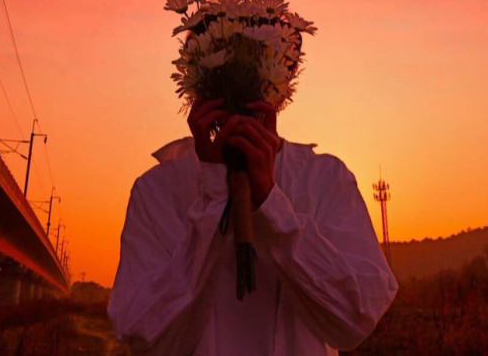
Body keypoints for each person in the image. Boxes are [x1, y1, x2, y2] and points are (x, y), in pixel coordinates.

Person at [108, 97, 398, 355]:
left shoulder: (324, 178)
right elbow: (143, 334)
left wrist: (272, 204)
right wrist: (214, 198)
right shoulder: (157, 191)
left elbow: (354, 319)